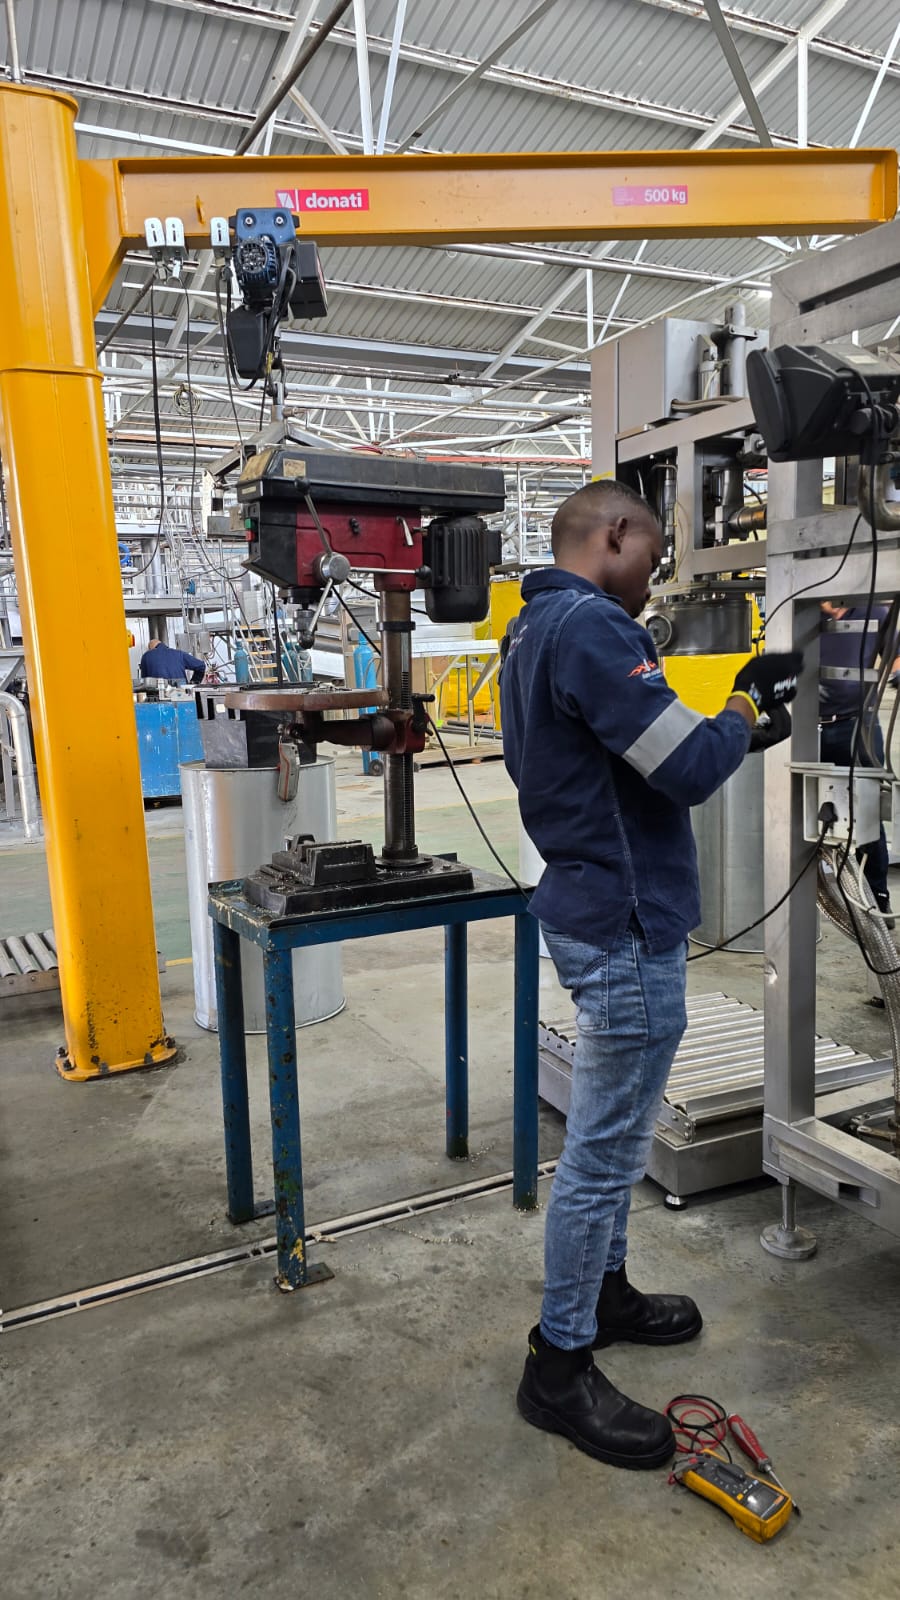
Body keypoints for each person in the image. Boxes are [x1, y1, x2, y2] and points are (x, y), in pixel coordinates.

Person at [500, 479, 802, 1472]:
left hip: (593, 903)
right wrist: (745, 708)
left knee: (622, 1135)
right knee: (600, 1157)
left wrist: (727, 724)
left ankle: (606, 1293)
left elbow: (613, 757)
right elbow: (684, 767)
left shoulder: (529, 630)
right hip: (623, 921)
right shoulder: (591, 626)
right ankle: (559, 1363)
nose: (653, 579)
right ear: (616, 534)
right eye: (653, 557)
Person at [819, 601, 900, 924]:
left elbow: (895, 653)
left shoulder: (876, 611)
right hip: (805, 727)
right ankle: (809, 896)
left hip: (857, 724)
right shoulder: (800, 610)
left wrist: (897, 672)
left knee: (867, 812)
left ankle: (876, 900)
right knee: (800, 812)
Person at [138, 638, 206, 685]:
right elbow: (201, 666)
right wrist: (193, 683)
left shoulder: (146, 656)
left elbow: (145, 682)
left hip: (157, 695)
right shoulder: (179, 654)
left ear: (151, 649)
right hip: (181, 694)